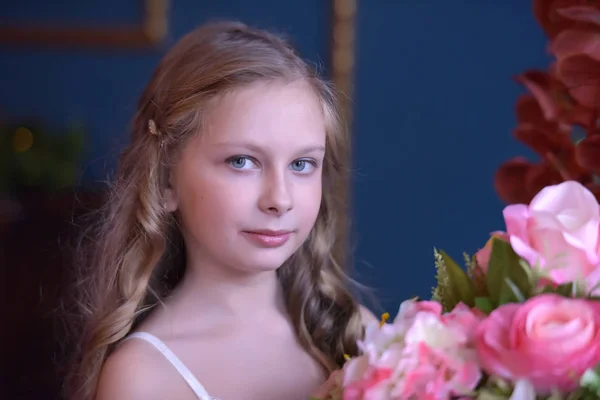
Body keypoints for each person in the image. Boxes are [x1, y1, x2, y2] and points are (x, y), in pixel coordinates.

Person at [65, 20, 376, 400]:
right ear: (165, 181)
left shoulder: (354, 332)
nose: (280, 198)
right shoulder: (143, 378)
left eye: (301, 164)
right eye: (242, 161)